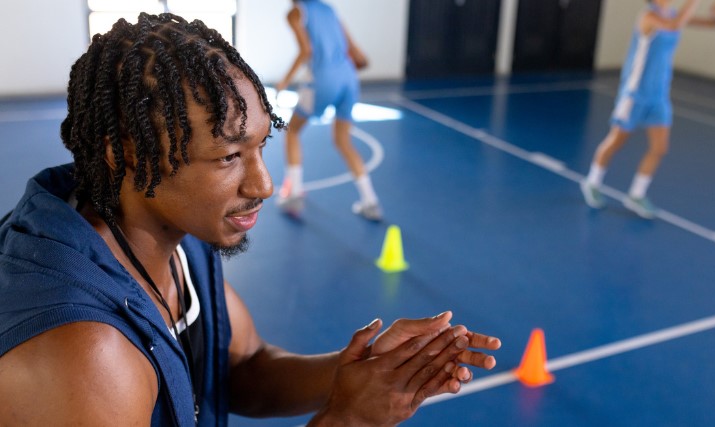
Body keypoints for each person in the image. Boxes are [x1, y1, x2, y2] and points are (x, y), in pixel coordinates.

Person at [0, 13, 500, 426]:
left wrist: (361, 372)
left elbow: (242, 366)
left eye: (261, 144)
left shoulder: (172, 229)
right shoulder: (85, 354)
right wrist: (348, 419)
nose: (262, 185)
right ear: (126, 155)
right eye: (226, 157)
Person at [580, 0, 715, 219]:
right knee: (617, 140)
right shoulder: (648, 17)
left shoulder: (674, 14)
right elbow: (676, 25)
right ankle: (592, 181)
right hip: (635, 94)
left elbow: (712, 25)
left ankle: (636, 195)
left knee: (660, 148)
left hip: (659, 96)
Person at [275, 0, 381, 220]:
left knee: (292, 131)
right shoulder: (329, 9)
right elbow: (354, 49)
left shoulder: (295, 13)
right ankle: (370, 201)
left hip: (323, 79)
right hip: (348, 78)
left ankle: (294, 194)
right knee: (343, 140)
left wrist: (284, 81)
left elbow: (306, 50)